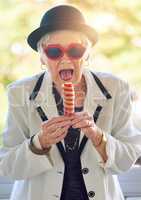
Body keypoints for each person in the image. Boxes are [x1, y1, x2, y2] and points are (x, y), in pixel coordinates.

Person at [0, 4, 141, 200]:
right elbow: (7, 166)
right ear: (42, 57)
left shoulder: (116, 89)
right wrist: (39, 142)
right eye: (54, 52)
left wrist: (98, 137)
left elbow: (128, 158)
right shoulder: (19, 93)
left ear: (87, 54)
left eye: (75, 50)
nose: (65, 58)